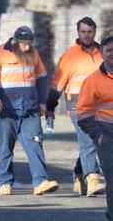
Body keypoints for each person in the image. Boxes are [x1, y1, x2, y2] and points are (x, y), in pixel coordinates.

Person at [0, 26, 59, 195]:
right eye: (24, 44)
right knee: (6, 146)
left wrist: (42, 102)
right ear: (15, 41)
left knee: (35, 143)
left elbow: (41, 78)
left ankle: (40, 181)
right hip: (6, 110)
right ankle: (5, 182)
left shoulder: (33, 52)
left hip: (29, 109)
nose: (27, 47)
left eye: (30, 44)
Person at [47, 17, 105, 196]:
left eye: (90, 32)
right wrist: (50, 107)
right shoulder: (69, 56)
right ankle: (93, 178)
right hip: (77, 105)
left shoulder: (103, 53)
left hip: (102, 106)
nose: (87, 35)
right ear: (78, 33)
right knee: (88, 140)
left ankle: (79, 174)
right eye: (83, 32)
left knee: (95, 142)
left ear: (95, 32)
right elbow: (57, 84)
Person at [77, 35, 113, 220]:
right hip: (106, 135)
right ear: (102, 54)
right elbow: (83, 114)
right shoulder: (92, 81)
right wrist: (99, 136)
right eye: (109, 50)